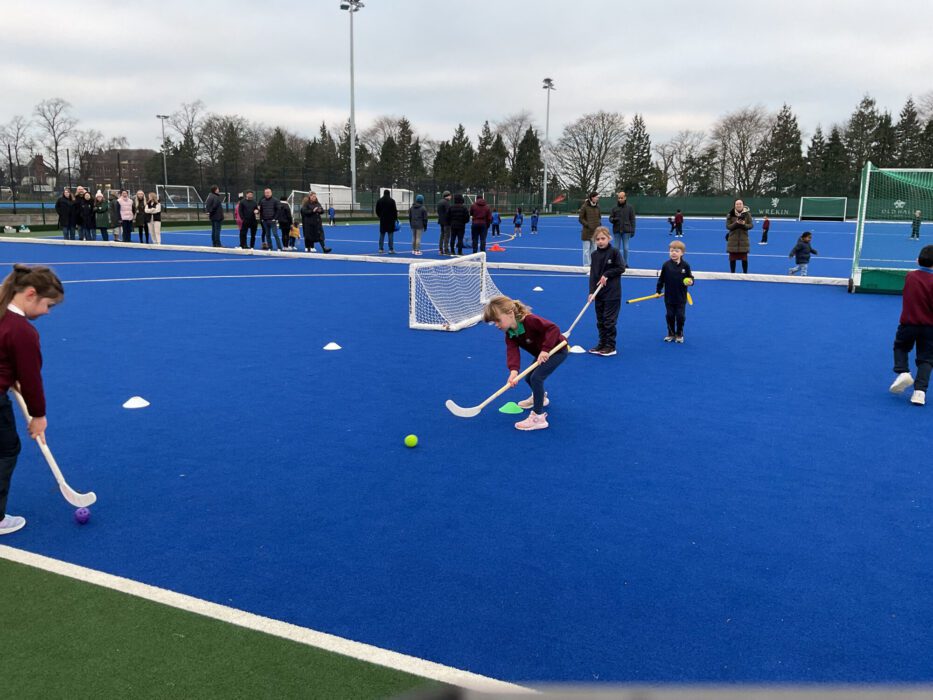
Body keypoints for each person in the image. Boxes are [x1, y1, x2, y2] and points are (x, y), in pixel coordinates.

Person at [0, 264, 65, 536]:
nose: (48, 312)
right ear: (30, 294)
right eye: (48, 305)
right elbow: (31, 379)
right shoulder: (22, 331)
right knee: (6, 450)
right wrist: (38, 416)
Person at [482, 295, 569, 431]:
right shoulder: (510, 334)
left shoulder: (530, 320)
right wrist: (513, 372)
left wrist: (545, 349)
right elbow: (512, 352)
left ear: (510, 313)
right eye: (494, 322)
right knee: (528, 377)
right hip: (541, 354)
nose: (497, 325)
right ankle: (540, 398)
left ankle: (538, 418)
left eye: (498, 320)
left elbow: (553, 328)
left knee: (536, 378)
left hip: (556, 350)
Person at [889, 245, 933, 406]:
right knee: (926, 359)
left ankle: (903, 372)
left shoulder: (910, 276)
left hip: (908, 323)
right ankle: (920, 392)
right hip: (929, 327)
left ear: (918, 260)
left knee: (900, 347)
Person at [587, 226, 625, 356]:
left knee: (609, 321)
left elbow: (621, 268)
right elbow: (593, 275)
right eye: (597, 239)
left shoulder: (614, 252)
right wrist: (591, 292)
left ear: (609, 238)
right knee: (600, 321)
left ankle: (610, 346)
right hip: (599, 294)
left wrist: (607, 274)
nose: (600, 241)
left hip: (612, 293)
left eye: (603, 238)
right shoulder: (594, 255)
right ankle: (602, 343)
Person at [657, 239, 694, 343]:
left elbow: (690, 277)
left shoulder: (685, 265)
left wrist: (691, 282)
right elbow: (661, 279)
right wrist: (658, 291)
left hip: (681, 297)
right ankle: (671, 333)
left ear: (682, 253)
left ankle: (679, 333)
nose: (673, 253)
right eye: (671, 251)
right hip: (669, 297)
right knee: (670, 315)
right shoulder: (666, 265)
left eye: (677, 251)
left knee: (680, 316)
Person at [608, 191, 636, 265]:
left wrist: (633, 230)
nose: (620, 199)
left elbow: (632, 220)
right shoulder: (614, 208)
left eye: (621, 198)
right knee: (616, 248)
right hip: (617, 230)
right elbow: (610, 218)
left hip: (626, 231)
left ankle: (625, 263)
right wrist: (613, 220)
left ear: (625, 198)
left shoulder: (630, 207)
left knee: (626, 248)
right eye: (619, 198)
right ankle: (616, 263)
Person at [726, 199, 753, 273]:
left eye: (740, 204)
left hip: (744, 241)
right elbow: (728, 227)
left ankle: (745, 275)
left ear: (743, 205)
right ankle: (732, 275)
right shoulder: (730, 214)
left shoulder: (747, 214)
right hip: (732, 241)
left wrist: (744, 224)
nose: (738, 205)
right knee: (732, 260)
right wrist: (736, 223)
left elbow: (751, 225)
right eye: (737, 204)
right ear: (734, 205)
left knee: (744, 260)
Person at [578, 192, 601, 266]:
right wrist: (588, 225)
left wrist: (599, 225)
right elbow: (580, 219)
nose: (598, 198)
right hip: (586, 232)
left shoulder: (598, 207)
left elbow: (599, 218)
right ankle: (586, 266)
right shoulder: (584, 206)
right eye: (596, 197)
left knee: (594, 250)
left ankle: (593, 265)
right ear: (592, 197)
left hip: (595, 232)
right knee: (586, 250)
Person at [375, 189, 398, 254]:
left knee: (382, 234)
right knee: (390, 234)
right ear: (389, 194)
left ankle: (380, 249)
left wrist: (380, 216)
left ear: (384, 193)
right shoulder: (392, 201)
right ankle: (391, 249)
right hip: (390, 220)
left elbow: (377, 210)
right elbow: (394, 211)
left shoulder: (379, 201)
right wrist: (395, 219)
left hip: (383, 220)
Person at [437, 190, 452, 255]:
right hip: (447, 221)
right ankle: (446, 250)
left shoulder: (439, 202)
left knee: (442, 235)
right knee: (447, 236)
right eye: (450, 195)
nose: (451, 197)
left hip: (441, 221)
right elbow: (448, 213)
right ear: (447, 196)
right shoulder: (446, 203)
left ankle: (440, 250)